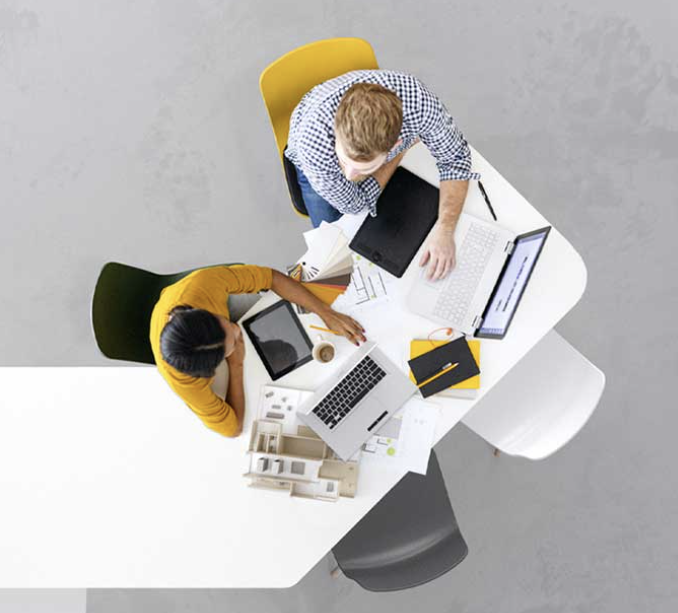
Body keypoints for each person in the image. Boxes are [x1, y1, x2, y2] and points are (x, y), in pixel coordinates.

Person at [284, 70, 477, 280]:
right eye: (345, 161)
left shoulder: (418, 102)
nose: (348, 176)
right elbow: (354, 205)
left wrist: (446, 230)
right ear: (336, 129)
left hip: (391, 144)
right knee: (331, 257)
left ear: (393, 144)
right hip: (309, 164)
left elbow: (456, 159)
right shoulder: (313, 143)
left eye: (363, 168)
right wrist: (398, 155)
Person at [152, 264, 365, 438]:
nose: (238, 330)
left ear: (202, 312)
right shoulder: (185, 382)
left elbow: (270, 277)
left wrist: (325, 312)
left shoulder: (201, 285)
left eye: (226, 324)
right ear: (211, 370)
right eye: (233, 343)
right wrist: (236, 364)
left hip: (195, 297)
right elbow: (233, 428)